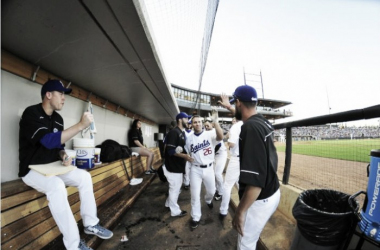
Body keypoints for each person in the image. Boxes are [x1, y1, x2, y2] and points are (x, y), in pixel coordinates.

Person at [19, 79, 113, 250]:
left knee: (84, 177)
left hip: (52, 167)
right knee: (56, 185)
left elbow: (58, 147)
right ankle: (74, 244)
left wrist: (63, 156)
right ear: (48, 95)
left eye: (64, 95)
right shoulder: (31, 113)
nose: (64, 98)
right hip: (31, 170)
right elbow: (47, 141)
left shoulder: (58, 119)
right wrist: (80, 126)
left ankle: (90, 223)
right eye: (61, 94)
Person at [219, 86, 280, 250]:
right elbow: (245, 116)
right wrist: (230, 108)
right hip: (273, 190)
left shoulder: (250, 128)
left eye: (235, 103)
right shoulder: (262, 120)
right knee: (251, 238)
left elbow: (255, 183)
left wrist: (240, 211)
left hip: (260, 199)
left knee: (246, 243)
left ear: (238, 102)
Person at [185, 111, 223, 229]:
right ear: (192, 124)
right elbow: (187, 153)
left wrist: (216, 122)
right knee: (195, 195)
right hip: (195, 169)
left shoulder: (209, 134)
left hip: (209, 168)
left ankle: (208, 200)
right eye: (195, 122)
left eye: (199, 122)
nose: (197, 124)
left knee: (211, 191)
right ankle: (196, 217)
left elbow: (221, 137)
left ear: (202, 123)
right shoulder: (189, 139)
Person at [163, 112, 193, 217]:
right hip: (171, 167)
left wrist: (186, 154)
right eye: (186, 118)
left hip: (177, 166)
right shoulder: (174, 132)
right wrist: (184, 156)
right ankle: (175, 211)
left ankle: (168, 203)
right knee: (175, 189)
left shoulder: (182, 132)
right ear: (180, 120)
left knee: (175, 188)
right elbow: (170, 151)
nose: (188, 121)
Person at [218, 116, 243, 218]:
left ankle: (223, 211)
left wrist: (228, 138)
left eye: (233, 120)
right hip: (246, 159)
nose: (232, 122)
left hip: (236, 159)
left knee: (227, 185)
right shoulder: (247, 124)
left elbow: (231, 145)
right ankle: (244, 207)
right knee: (239, 183)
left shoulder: (236, 127)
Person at [204, 118, 227, 201]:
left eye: (208, 125)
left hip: (221, 154)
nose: (206, 127)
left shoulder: (215, 130)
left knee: (217, 174)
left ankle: (221, 192)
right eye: (205, 126)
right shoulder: (206, 132)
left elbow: (218, 146)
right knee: (213, 174)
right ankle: (217, 189)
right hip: (214, 155)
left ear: (212, 124)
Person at [182, 119, 193, 190]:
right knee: (186, 169)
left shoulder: (193, 132)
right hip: (184, 152)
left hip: (192, 152)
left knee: (192, 169)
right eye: (187, 124)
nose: (188, 125)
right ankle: (186, 183)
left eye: (190, 124)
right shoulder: (183, 132)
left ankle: (191, 182)